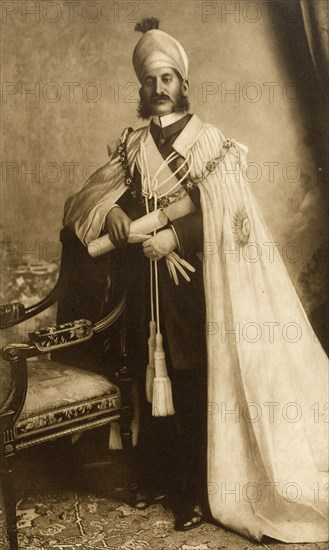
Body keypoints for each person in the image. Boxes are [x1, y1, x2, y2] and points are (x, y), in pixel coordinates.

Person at [64, 18, 329, 542]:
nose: (159, 90)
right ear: (139, 89)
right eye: (149, 81)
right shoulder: (131, 145)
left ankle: (197, 490)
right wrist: (115, 211)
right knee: (147, 378)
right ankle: (160, 480)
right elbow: (91, 200)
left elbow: (234, 218)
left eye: (168, 79)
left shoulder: (212, 144)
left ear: (184, 83)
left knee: (189, 382)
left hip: (196, 288)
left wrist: (177, 237)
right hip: (143, 285)